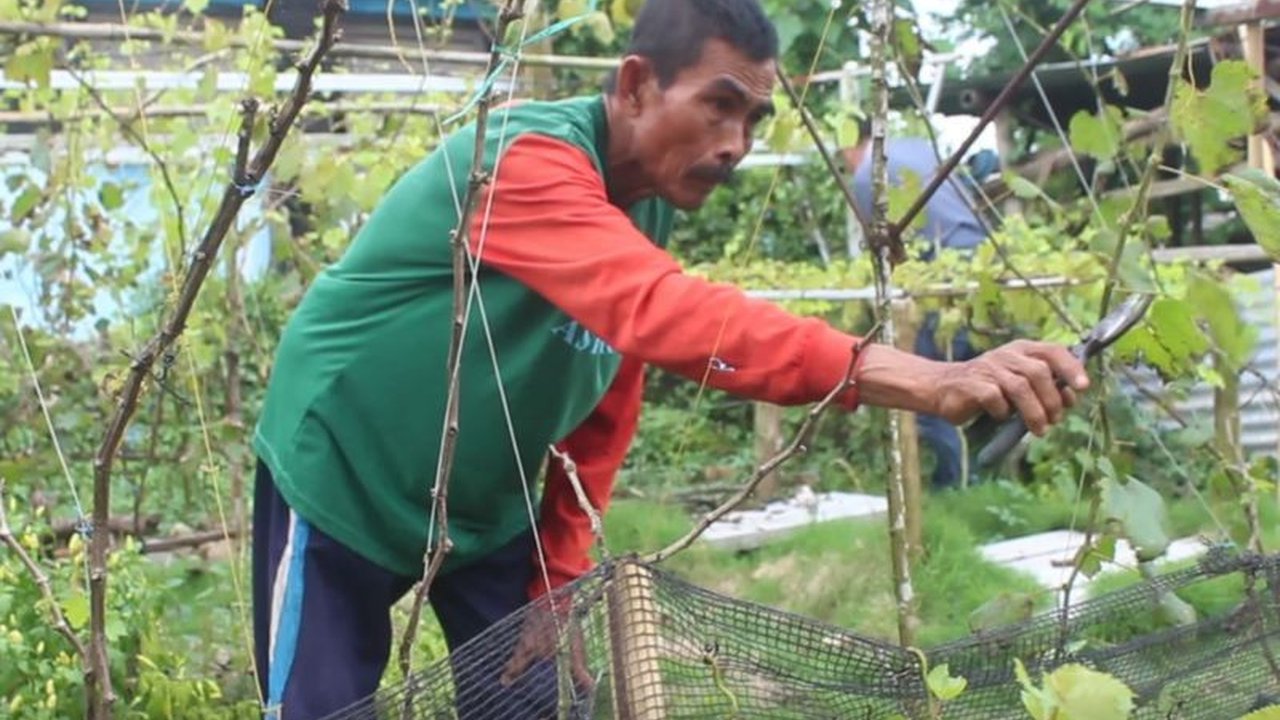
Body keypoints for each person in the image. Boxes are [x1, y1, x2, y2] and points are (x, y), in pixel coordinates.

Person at [250, 1, 1089, 717]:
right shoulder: (520, 160)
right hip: (345, 468)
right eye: (719, 106)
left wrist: (558, 580)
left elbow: (604, 404)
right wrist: (929, 379)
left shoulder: (644, 204)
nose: (737, 143)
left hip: (485, 506)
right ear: (635, 85)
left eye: (753, 119)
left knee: (537, 696)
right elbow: (664, 311)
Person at [841, 130, 996, 488]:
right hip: (981, 259)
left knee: (929, 388)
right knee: (977, 375)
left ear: (850, 145)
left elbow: (883, 246)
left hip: (940, 272)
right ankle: (980, 475)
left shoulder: (868, 176)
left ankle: (953, 488)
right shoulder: (915, 146)